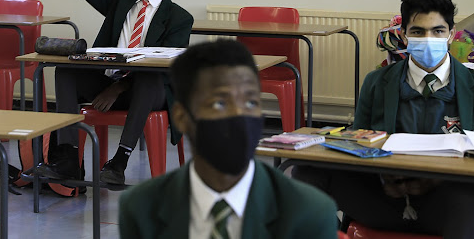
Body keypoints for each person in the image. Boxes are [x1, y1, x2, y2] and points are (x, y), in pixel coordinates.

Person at [293, 0, 474, 239]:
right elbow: (357, 152)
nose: (428, 39)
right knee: (307, 171)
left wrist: (441, 179)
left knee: (468, 192)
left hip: (449, 206)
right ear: (404, 36)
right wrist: (384, 177)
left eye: (437, 31)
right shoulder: (376, 83)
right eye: (418, 31)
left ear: (450, 35)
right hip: (386, 201)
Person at [119, 39, 338, 239]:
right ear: (182, 117)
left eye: (250, 102)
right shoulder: (141, 208)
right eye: (220, 104)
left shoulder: (310, 213)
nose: (239, 115)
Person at [42, 0, 193, 187]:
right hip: (106, 79)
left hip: (147, 90)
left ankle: (119, 162)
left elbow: (164, 64)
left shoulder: (179, 17)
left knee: (150, 79)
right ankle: (68, 160)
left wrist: (118, 87)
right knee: (65, 72)